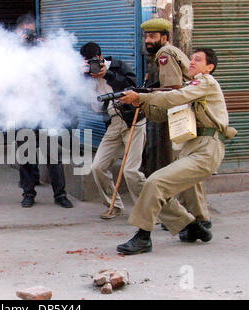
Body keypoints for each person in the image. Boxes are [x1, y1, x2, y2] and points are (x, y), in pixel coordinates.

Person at [116, 48, 237, 255]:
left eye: (198, 60)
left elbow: (175, 97)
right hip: (191, 147)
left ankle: (143, 237)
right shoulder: (193, 87)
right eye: (191, 59)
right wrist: (140, 103)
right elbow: (163, 113)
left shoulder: (205, 83)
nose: (191, 62)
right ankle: (190, 227)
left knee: (155, 182)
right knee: (156, 189)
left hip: (207, 149)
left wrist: (143, 97)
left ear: (210, 67)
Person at [142, 18, 212, 231]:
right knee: (186, 170)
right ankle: (198, 216)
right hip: (187, 116)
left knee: (182, 170)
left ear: (164, 37)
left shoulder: (164, 54)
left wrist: (145, 97)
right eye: (146, 36)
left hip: (182, 117)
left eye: (153, 37)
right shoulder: (170, 52)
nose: (148, 40)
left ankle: (196, 218)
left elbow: (173, 88)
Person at [81, 42, 146, 220]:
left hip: (133, 121)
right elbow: (94, 106)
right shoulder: (87, 76)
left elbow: (132, 87)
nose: (93, 66)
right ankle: (114, 206)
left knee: (131, 171)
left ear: (101, 58)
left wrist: (107, 75)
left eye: (95, 61)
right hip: (113, 123)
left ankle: (149, 209)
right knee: (98, 167)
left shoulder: (118, 66)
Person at [15, 14, 73, 209]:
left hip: (47, 110)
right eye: (26, 31)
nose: (30, 35)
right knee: (25, 154)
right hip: (24, 110)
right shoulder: (11, 53)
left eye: (32, 31)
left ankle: (60, 194)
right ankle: (28, 193)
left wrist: (48, 49)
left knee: (53, 155)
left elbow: (59, 71)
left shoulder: (46, 50)